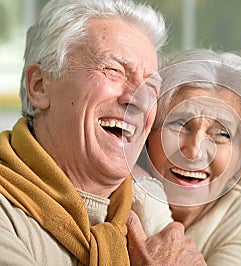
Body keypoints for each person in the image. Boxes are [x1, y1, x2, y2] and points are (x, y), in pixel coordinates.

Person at [0, 0, 205, 265]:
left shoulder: (151, 206)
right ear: (40, 86)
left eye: (151, 88)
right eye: (114, 71)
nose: (138, 100)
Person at [135, 49, 241, 265]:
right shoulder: (110, 189)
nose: (194, 151)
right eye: (179, 124)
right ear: (149, 133)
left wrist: (143, 192)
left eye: (221, 134)